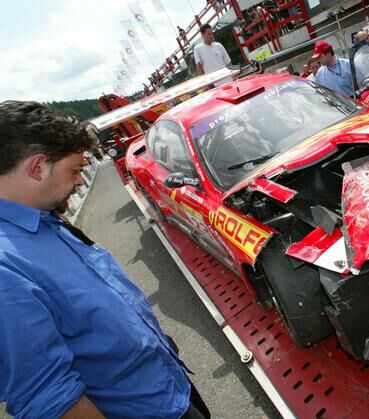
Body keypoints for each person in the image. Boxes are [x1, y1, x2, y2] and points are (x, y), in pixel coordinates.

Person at [0, 101, 211, 418]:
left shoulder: (41, 220)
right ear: (37, 167)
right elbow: (50, 398)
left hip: (168, 387)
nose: (80, 181)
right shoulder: (6, 269)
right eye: (74, 171)